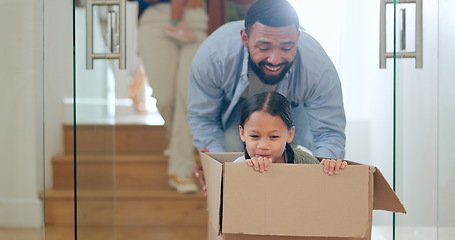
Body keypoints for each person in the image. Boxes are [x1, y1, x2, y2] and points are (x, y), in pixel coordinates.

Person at [189, 0, 347, 192]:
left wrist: (319, 179)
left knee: (298, 159)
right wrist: (217, 170)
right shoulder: (214, 56)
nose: (275, 59)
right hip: (237, 109)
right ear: (245, 38)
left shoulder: (318, 68)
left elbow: (329, 133)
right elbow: (203, 118)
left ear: (297, 38)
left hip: (294, 111)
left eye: (286, 47)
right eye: (264, 47)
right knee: (232, 153)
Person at [137, 0, 208, 193]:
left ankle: (181, 169)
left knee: (188, 94)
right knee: (165, 97)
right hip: (156, 17)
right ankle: (174, 136)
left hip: (197, 17)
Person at [234, 91, 347, 175]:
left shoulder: (305, 162)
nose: (263, 145)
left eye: (274, 136)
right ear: (242, 133)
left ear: (290, 135)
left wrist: (332, 170)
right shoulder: (236, 169)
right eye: (254, 136)